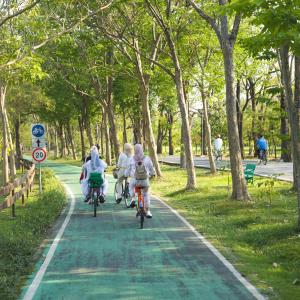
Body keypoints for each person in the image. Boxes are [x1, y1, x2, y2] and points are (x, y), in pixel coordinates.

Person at [125, 144, 156, 218]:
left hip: (134, 180)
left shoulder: (131, 159)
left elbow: (127, 170)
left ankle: (133, 198)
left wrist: (126, 174)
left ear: (135, 150)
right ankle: (148, 211)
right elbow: (151, 168)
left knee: (130, 186)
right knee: (146, 194)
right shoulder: (147, 158)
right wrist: (153, 174)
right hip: (145, 181)